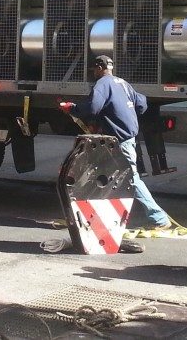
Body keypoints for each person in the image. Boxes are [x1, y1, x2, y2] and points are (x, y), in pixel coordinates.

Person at [60, 55, 171, 232]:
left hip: (119, 141)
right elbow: (141, 104)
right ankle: (94, 215)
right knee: (100, 175)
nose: (93, 72)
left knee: (131, 178)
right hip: (126, 138)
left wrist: (72, 108)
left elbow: (93, 108)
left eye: (94, 69)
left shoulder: (102, 84)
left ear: (98, 68)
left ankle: (158, 217)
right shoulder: (122, 83)